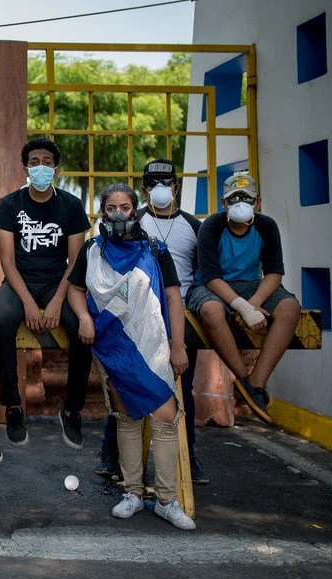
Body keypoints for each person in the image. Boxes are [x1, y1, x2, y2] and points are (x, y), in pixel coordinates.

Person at [67, 183, 196, 531]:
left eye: (125, 208)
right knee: (125, 414)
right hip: (113, 344)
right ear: (102, 212)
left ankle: (167, 501)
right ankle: (134, 494)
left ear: (134, 211)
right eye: (111, 209)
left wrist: (179, 346)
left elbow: (173, 299)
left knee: (166, 415)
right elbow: (75, 290)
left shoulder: (155, 250)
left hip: (153, 344)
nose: (118, 215)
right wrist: (83, 317)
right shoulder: (92, 251)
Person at [95, 159, 209, 485]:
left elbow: (202, 275)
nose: (161, 187)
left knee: (180, 388)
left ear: (176, 186)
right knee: (123, 385)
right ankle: (112, 456)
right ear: (144, 188)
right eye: (153, 182)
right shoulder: (133, 222)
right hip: (135, 322)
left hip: (177, 319)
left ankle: (189, 458)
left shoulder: (193, 226)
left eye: (167, 181)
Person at [0, 137, 92, 449]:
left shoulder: (71, 206)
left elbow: (75, 262)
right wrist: (29, 304)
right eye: (34, 162)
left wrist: (58, 300)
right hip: (20, 283)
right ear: (25, 169)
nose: (41, 167)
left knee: (84, 330)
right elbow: (7, 262)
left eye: (47, 162)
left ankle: (72, 409)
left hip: (60, 282)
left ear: (56, 170)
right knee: (3, 320)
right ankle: (13, 406)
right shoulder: (9, 205)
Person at [184, 172, 301, 424]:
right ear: (224, 203)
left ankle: (255, 385)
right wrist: (242, 308)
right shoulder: (211, 227)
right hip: (212, 287)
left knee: (290, 308)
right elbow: (211, 277)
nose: (240, 203)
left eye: (246, 198)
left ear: (257, 203)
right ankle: (243, 378)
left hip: (252, 286)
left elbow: (274, 273)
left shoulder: (266, 226)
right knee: (212, 311)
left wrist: (253, 303)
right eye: (233, 198)